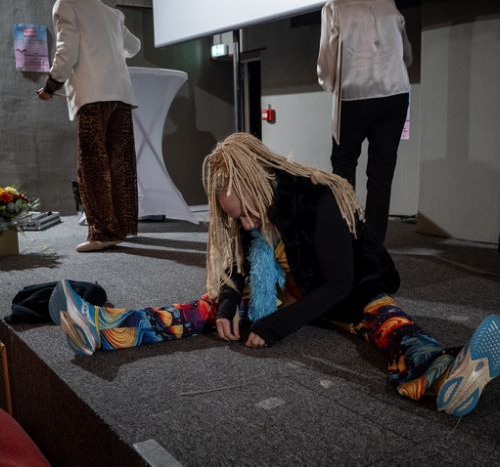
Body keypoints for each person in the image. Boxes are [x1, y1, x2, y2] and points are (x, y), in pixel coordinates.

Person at [49, 133, 500, 418]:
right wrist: (229, 302)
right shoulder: (244, 212)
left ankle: (447, 374)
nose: (246, 224)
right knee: (207, 307)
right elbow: (235, 264)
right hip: (290, 293)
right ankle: (108, 328)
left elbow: (339, 284)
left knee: (392, 324)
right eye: (236, 218)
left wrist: (274, 327)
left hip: (350, 294)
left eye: (248, 213)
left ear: (261, 184)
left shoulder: (318, 198)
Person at [37, 0, 141, 252]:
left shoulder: (66, 7)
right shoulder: (113, 14)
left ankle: (103, 232)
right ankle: (121, 227)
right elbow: (134, 46)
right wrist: (111, 49)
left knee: (93, 165)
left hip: (93, 96)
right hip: (121, 96)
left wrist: (50, 86)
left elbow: (66, 50)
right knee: (120, 164)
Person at [317, 0, 413, 242]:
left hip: (354, 98)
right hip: (395, 95)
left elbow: (326, 64)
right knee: (382, 173)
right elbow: (406, 55)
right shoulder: (388, 3)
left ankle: (348, 240)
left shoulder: (335, 7)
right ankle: (374, 246)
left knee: (344, 169)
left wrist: (329, 84)